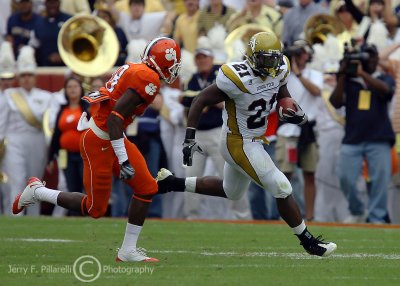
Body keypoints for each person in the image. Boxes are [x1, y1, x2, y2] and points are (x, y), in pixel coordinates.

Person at [156, 31, 337, 257]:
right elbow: (200, 100)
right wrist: (189, 137)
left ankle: (171, 182)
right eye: (264, 59)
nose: (270, 64)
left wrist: (290, 109)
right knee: (282, 187)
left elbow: (282, 92)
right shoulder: (235, 76)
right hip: (239, 142)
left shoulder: (279, 68)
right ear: (252, 57)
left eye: (273, 58)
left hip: (252, 139)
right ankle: (308, 242)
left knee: (230, 191)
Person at [12, 37, 182, 261]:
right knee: (95, 209)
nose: (175, 68)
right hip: (100, 140)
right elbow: (114, 118)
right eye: (173, 62)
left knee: (147, 187)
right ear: (163, 61)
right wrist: (123, 159)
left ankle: (127, 250)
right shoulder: (148, 78)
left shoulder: (136, 68)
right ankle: (37, 191)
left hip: (111, 136)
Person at [330, 44, 395, 223]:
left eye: (374, 58)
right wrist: (342, 76)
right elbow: (335, 102)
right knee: (345, 177)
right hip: (352, 138)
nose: (372, 61)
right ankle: (357, 211)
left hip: (379, 138)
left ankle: (377, 216)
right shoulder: (349, 81)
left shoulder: (384, 77)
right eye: (369, 58)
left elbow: (386, 91)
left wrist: (363, 75)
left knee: (380, 181)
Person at [1, 45, 53, 216]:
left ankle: (33, 220)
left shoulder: (46, 96)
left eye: (29, 75)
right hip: (14, 141)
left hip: (37, 142)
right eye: (23, 75)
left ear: (35, 77)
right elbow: (2, 121)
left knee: (35, 184)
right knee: (16, 182)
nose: (26, 79)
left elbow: (49, 124)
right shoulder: (9, 95)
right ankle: (13, 218)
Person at [46, 77, 89, 215]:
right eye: (69, 87)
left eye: (75, 86)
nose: (72, 89)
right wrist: (50, 157)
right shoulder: (62, 109)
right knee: (71, 187)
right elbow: (56, 135)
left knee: (86, 185)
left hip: (84, 155)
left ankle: (88, 214)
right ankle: (74, 216)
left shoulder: (87, 108)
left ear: (81, 89)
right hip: (66, 155)